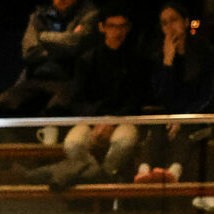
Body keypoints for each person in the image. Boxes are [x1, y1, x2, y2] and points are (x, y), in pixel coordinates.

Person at [27, 5, 148, 191]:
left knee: (123, 142)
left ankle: (101, 177)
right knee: (73, 143)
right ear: (102, 27)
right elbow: (78, 99)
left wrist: (111, 121)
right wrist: (98, 120)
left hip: (125, 119)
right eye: (112, 26)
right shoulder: (87, 60)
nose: (118, 31)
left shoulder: (137, 61)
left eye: (122, 26)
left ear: (128, 28)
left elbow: (135, 100)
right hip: (92, 118)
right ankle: (97, 175)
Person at [135, 2, 214, 185]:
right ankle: (144, 171)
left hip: (199, 115)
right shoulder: (158, 55)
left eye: (174, 20)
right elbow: (161, 95)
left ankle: (173, 172)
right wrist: (168, 62)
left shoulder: (205, 52)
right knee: (156, 126)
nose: (170, 27)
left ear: (185, 22)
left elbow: (208, 94)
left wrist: (184, 116)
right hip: (169, 116)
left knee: (186, 129)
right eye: (164, 23)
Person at [0, 0, 100, 118]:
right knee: (4, 103)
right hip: (38, 77)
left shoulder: (90, 14)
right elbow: (29, 52)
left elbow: (74, 43)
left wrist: (42, 37)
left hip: (71, 78)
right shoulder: (39, 15)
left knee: (58, 106)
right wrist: (60, 49)